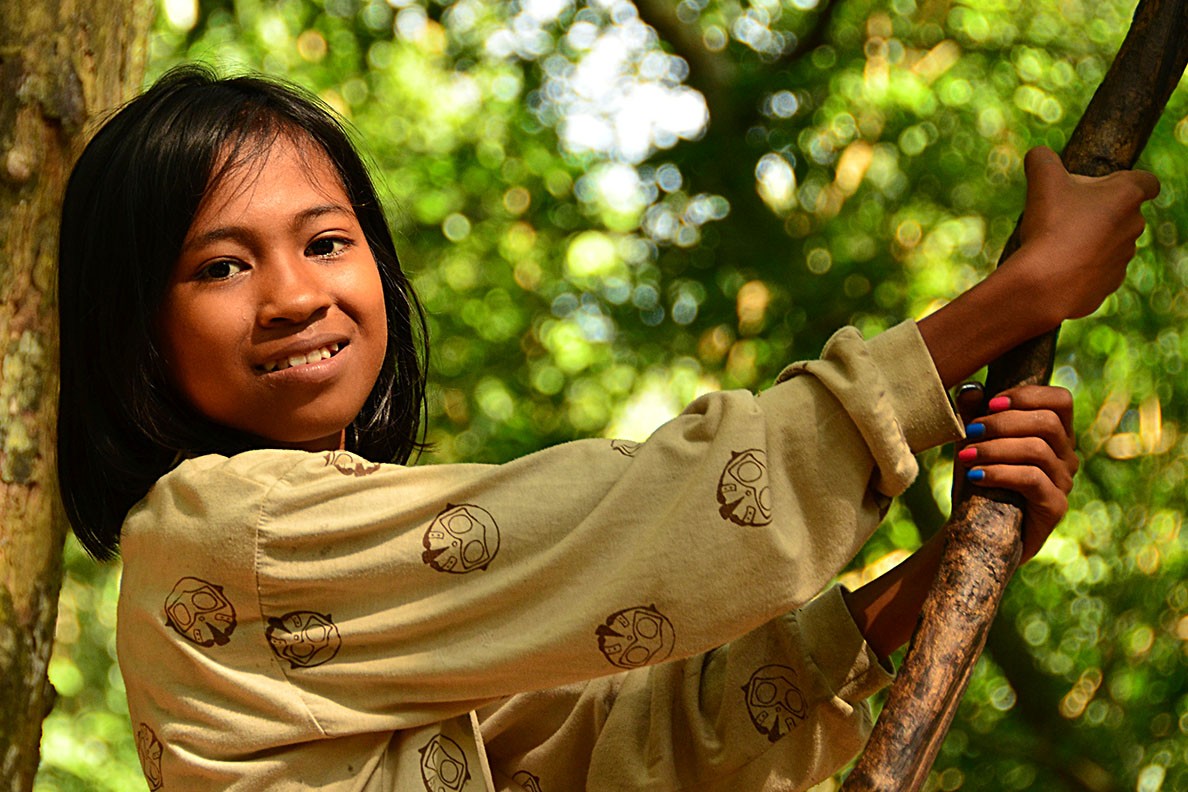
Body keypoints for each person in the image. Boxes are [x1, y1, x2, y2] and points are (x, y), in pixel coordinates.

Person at [56, 64, 1158, 792]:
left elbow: (622, 747)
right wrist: (1015, 300)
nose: (295, 295)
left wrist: (947, 569)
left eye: (328, 242)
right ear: (135, 335)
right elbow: (637, 521)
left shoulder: (361, 598)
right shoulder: (218, 529)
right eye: (221, 266)